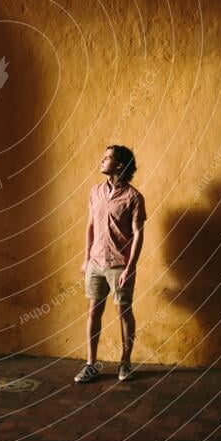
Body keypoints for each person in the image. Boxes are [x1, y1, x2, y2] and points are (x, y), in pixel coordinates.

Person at [74, 145, 146, 384]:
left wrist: (130, 267)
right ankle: (90, 365)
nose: (102, 160)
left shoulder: (134, 197)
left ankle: (125, 362)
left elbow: (138, 234)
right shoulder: (95, 191)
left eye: (107, 158)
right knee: (94, 311)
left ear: (118, 165)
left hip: (119, 265)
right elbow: (90, 226)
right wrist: (86, 259)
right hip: (95, 262)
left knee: (124, 312)